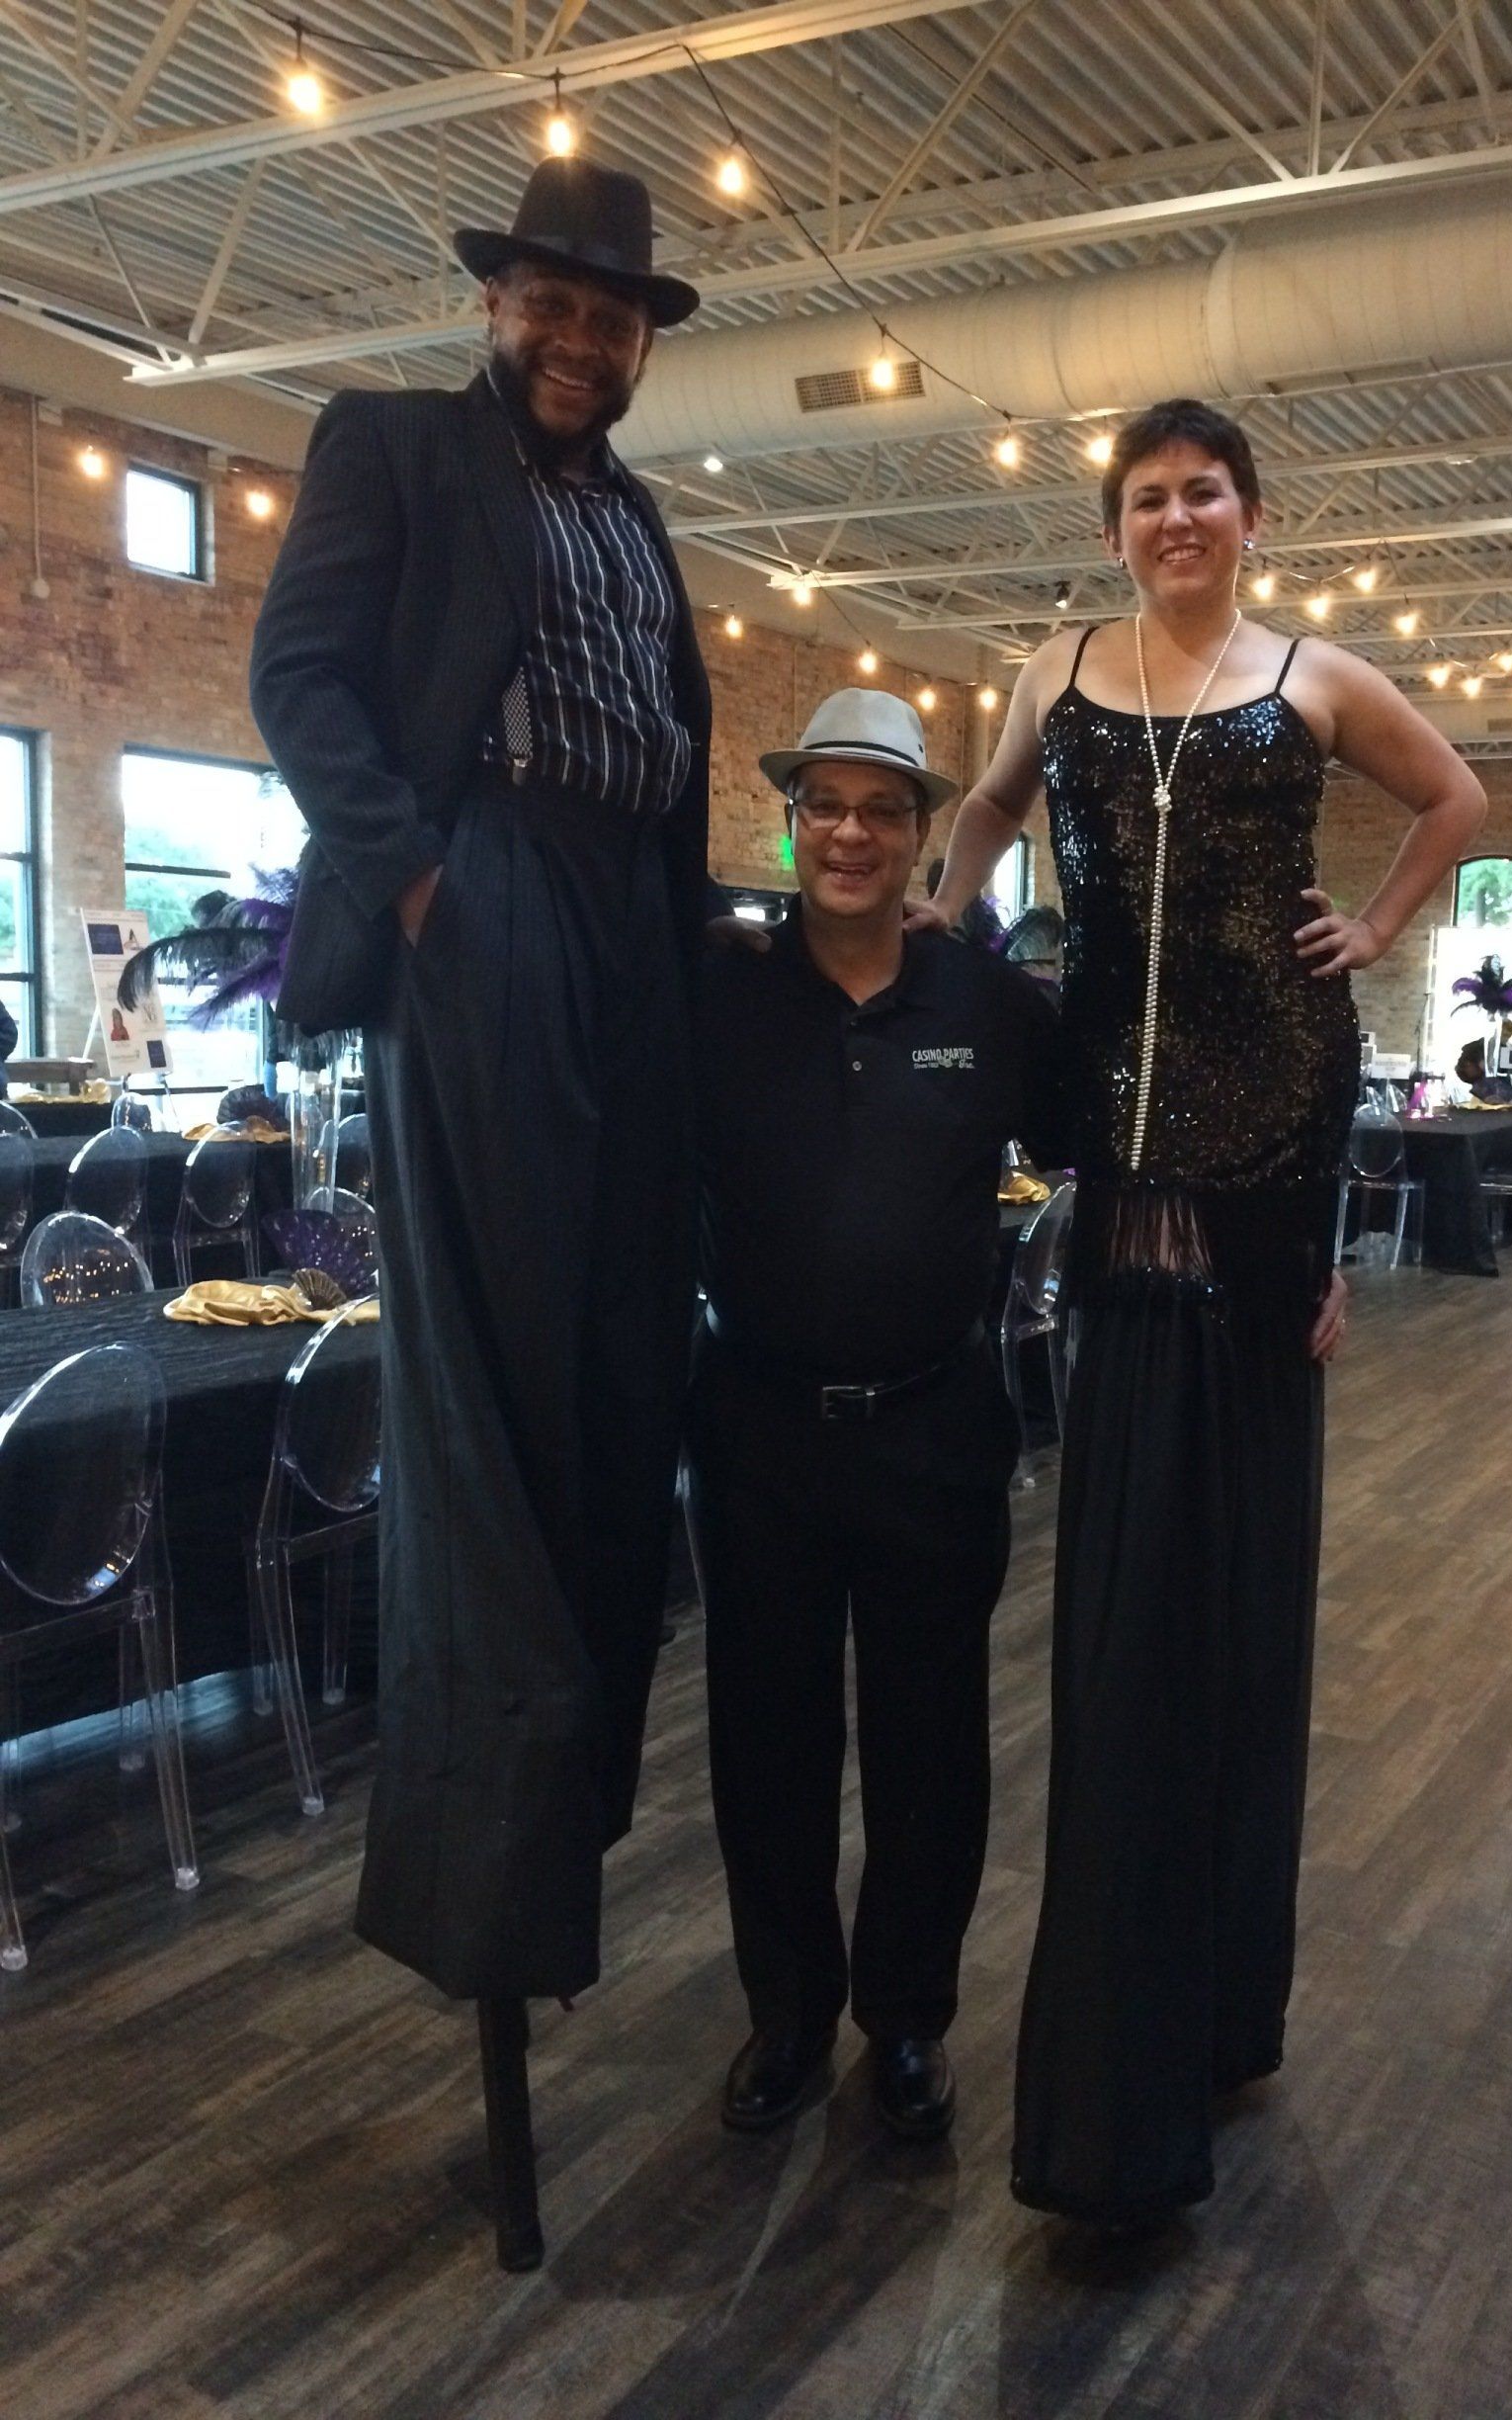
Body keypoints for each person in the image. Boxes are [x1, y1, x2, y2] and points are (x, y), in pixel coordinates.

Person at [917, 396, 1484, 2225]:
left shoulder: (1312, 677)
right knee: (1127, 1607)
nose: (1178, 517)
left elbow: (1456, 797)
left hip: (1274, 1148)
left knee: (1238, 1598)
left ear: (1251, 515)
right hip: (1116, 1158)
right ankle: (1130, 2046)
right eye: (1149, 496)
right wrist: (945, 932)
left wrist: (1376, 929)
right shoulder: (1057, 672)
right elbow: (985, 812)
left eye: (1205, 493)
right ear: (1116, 526)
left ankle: (1223, 2003)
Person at [249, 160, 711, 2204]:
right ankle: (488, 1870)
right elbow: (298, 678)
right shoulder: (393, 445)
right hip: (488, 890)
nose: (581, 338)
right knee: (502, 1403)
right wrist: (424, 884)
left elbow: (670, 749)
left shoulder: (639, 516)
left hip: (628, 929)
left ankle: (564, 1819)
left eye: (612, 315)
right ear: (498, 302)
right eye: (555, 301)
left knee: (621, 1386)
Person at [692, 690, 1062, 2144]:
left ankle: (906, 2020)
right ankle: (786, 2014)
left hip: (935, 1428)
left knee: (931, 1747)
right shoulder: (716, 992)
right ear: (792, 824)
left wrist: (1298, 1264)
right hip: (760, 1432)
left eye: (882, 810)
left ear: (921, 835)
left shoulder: (989, 1006)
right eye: (826, 807)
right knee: (765, 1742)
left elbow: (1112, 1143)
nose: (851, 834)